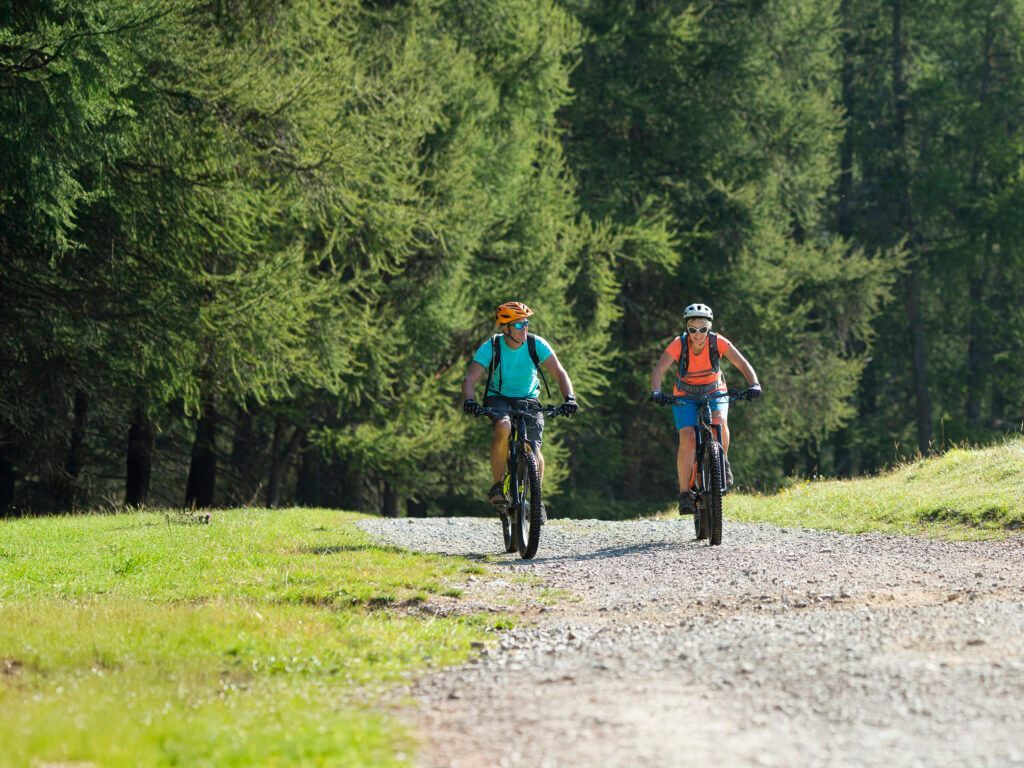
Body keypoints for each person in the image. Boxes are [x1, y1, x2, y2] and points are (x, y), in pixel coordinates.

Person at [462, 301, 578, 513]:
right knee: (504, 428)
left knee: (533, 448)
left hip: (529, 399)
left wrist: (569, 398)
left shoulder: (536, 344)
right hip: (499, 398)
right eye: (518, 325)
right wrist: (469, 400)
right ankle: (497, 487)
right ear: (505, 328)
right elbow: (470, 378)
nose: (524, 328)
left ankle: (536, 502)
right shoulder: (492, 346)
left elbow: (560, 372)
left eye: (525, 323)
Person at [649, 303, 761, 514]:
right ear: (687, 330)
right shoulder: (679, 344)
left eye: (702, 329)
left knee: (719, 420)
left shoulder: (717, 342)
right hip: (685, 395)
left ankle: (722, 462)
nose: (698, 334)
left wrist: (754, 384)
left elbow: (742, 363)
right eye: (692, 329)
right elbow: (659, 370)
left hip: (715, 392)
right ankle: (684, 494)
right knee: (688, 436)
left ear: (709, 328)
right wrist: (656, 391)